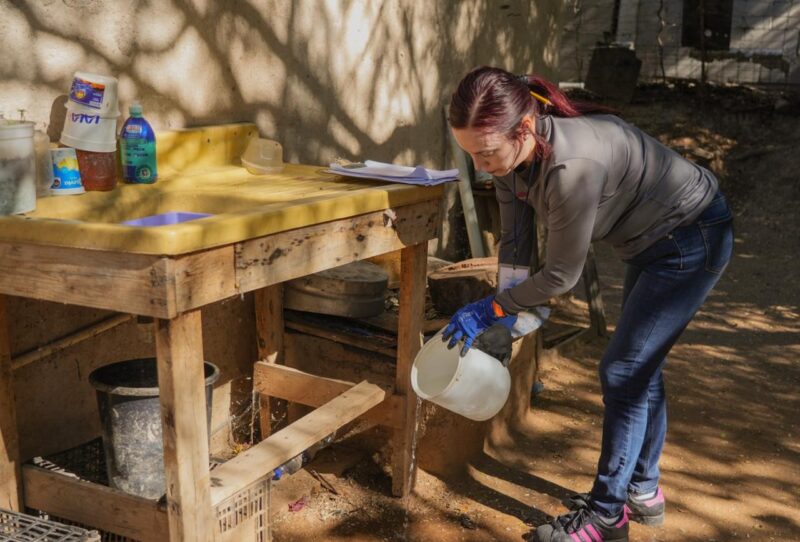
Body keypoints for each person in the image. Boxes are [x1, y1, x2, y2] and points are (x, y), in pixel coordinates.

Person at [442, 66, 734, 542]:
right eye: (471, 153)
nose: (480, 165)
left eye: (486, 152)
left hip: (690, 238)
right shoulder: (511, 163)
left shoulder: (572, 166)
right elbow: (515, 244)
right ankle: (642, 490)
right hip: (651, 243)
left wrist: (490, 310)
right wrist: (504, 319)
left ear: (524, 128)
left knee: (625, 370)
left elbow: (561, 275)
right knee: (640, 367)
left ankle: (606, 517)